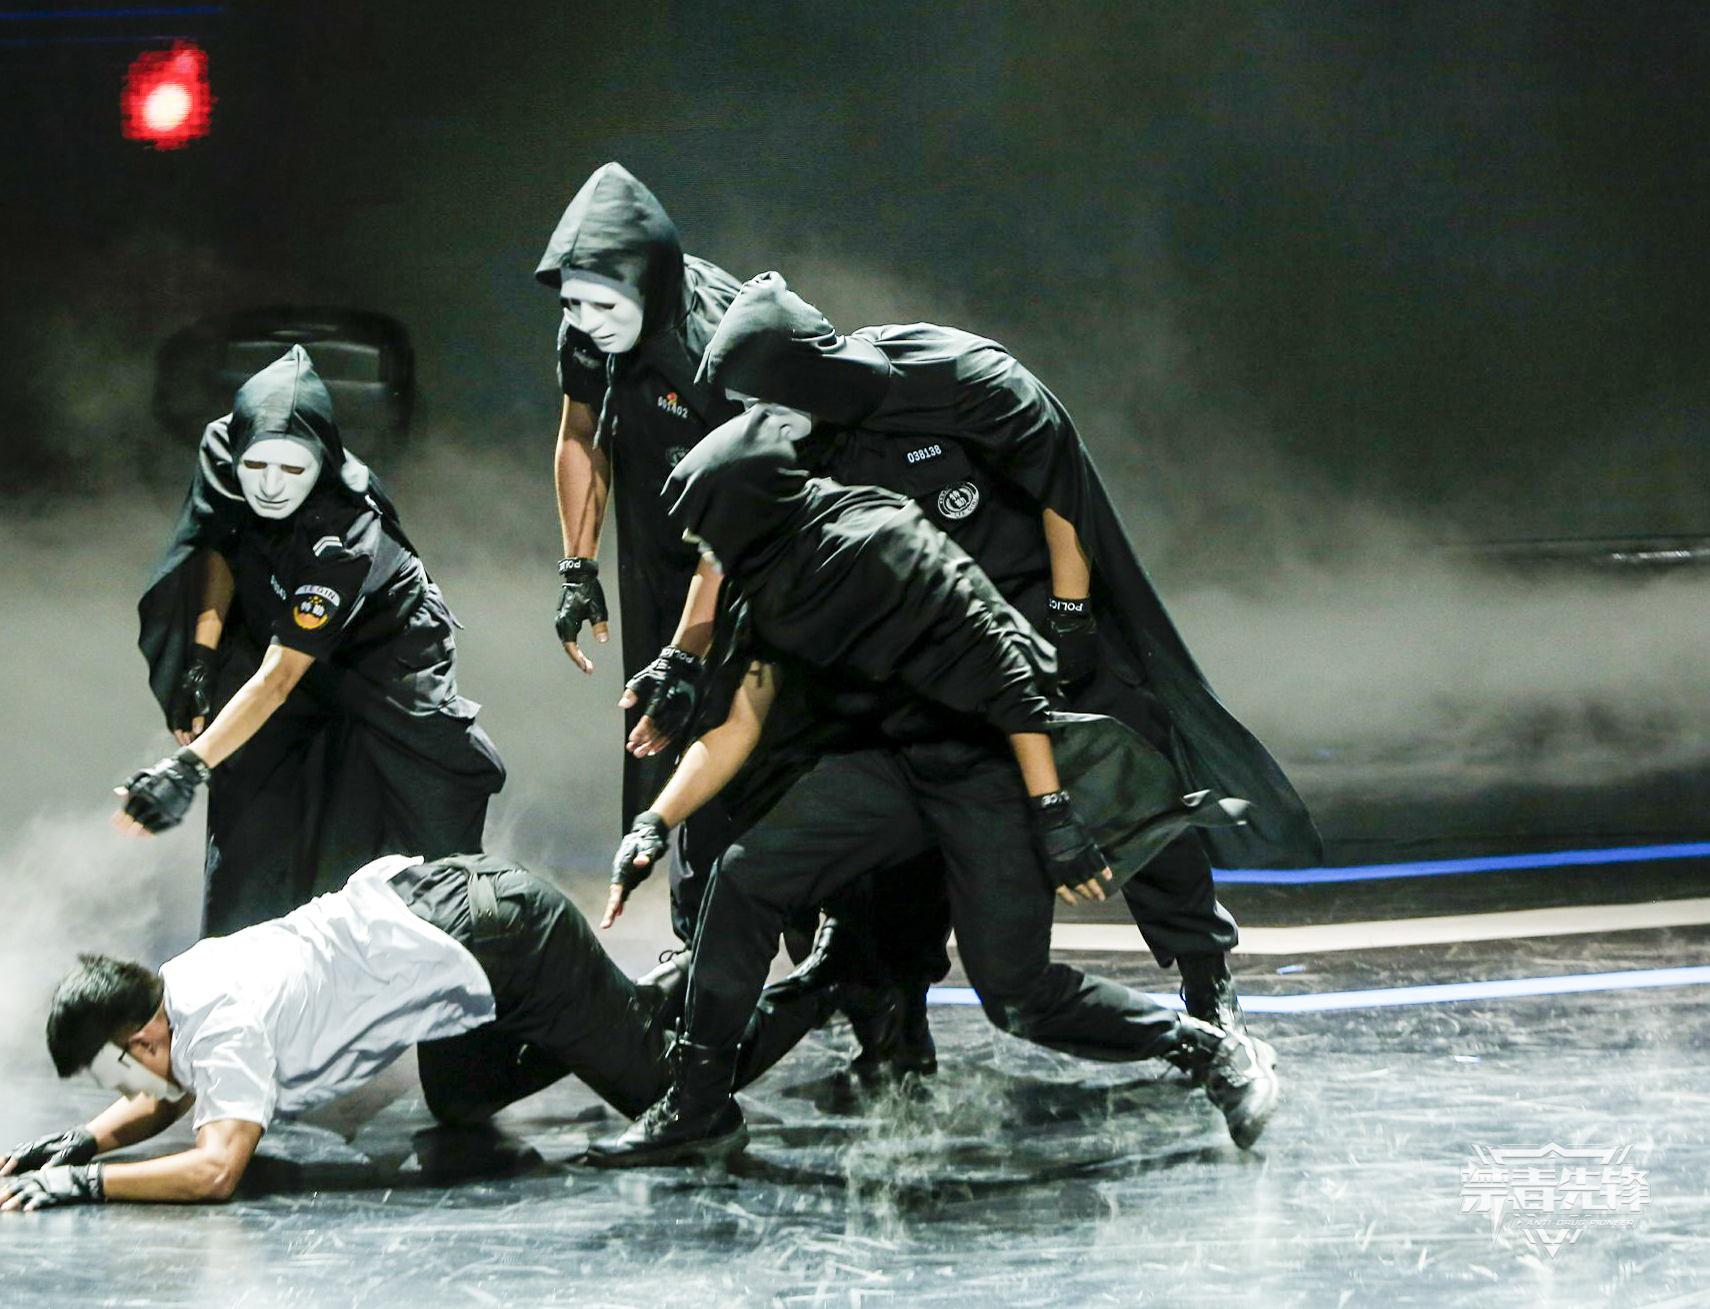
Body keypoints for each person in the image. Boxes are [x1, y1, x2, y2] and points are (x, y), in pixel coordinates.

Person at [584, 402, 1278, 1168]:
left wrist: (1052, 813)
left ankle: (1206, 1049)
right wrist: (654, 822)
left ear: (750, 509)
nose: (701, 550)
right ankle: (697, 1104)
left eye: (709, 529)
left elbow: (1011, 683)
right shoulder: (770, 573)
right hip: (898, 765)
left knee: (1015, 994)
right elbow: (740, 723)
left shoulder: (879, 541)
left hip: (990, 765)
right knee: (746, 875)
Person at [685, 272, 1322, 1040]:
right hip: (927, 655)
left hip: (1039, 612)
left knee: (1132, 779)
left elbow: (1063, 490)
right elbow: (733, 545)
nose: (750, 421)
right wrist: (686, 656)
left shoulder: (960, 377)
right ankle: (893, 1011)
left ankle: (1203, 973)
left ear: (798, 374)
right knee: (894, 818)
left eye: (758, 401)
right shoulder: (798, 444)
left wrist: (1069, 616)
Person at [0, 852, 837, 1211]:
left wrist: (88, 1183)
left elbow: (214, 1169)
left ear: (139, 1038)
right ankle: (628, 1006)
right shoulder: (179, 984)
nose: (125, 1087)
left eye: (116, 1070)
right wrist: (85, 1139)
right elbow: (173, 1092)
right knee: (460, 1096)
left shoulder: (221, 1026)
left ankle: (831, 972)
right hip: (459, 939)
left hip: (507, 943)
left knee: (678, 1099)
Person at [127, 346, 506, 935]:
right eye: (257, 466)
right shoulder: (223, 451)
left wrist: (185, 769)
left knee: (426, 842)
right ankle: (248, 967)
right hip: (277, 625)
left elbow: (279, 679)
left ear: (321, 464)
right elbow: (222, 538)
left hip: (384, 659)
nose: (270, 486)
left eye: (293, 470)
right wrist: (201, 658)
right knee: (247, 821)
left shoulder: (344, 537)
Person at [533, 162, 747, 932]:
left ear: (648, 284)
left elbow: (746, 503)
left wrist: (690, 645)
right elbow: (579, 430)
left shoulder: (721, 340)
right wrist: (577, 565)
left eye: (603, 304)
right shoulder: (588, 327)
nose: (585, 321)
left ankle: (802, 934)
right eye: (572, 303)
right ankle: (698, 935)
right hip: (657, 545)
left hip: (747, 552)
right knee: (666, 729)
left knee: (738, 726)